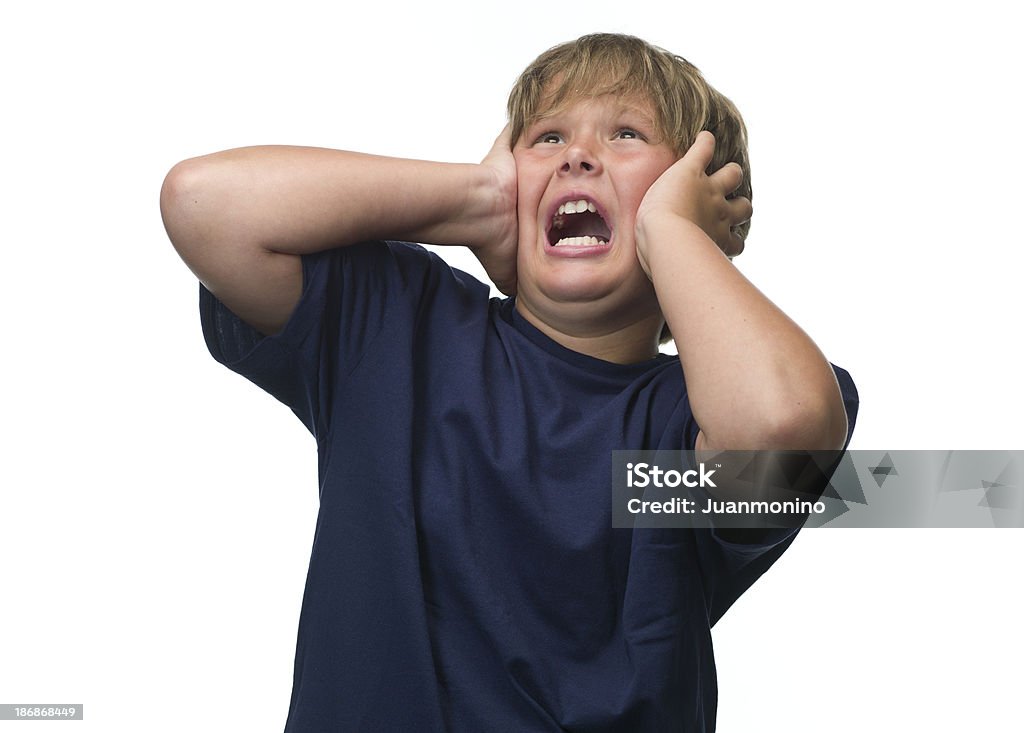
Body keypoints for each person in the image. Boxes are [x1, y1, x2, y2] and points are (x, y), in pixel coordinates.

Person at [161, 33, 858, 733]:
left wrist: (673, 232)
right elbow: (204, 204)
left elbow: (779, 426)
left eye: (625, 134)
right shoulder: (399, 330)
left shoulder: (676, 440)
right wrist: (477, 199)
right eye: (546, 137)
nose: (578, 155)